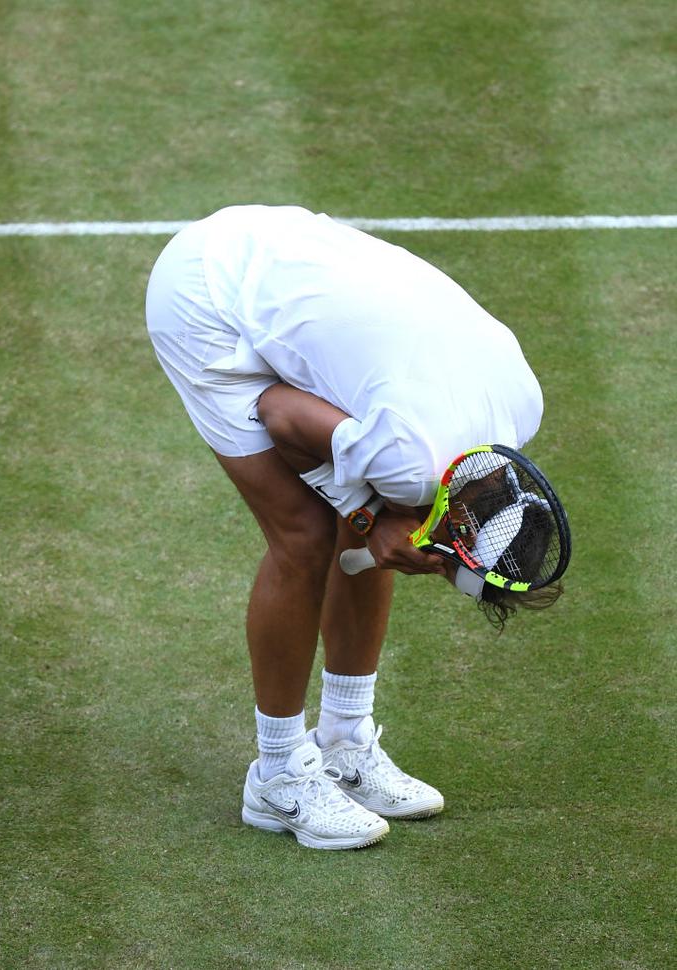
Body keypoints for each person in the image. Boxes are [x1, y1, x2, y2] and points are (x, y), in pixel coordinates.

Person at [145, 204, 551, 851]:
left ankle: (343, 742)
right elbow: (280, 414)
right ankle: (277, 778)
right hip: (206, 294)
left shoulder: (519, 408)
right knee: (305, 535)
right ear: (465, 531)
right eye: (450, 565)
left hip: (284, 252)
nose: (438, 567)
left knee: (365, 523)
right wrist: (368, 516)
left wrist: (380, 518)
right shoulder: (413, 467)